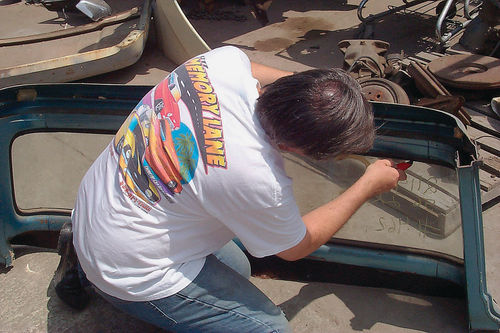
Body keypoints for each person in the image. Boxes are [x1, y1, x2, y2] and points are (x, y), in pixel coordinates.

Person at [54, 46, 406, 332]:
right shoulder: (258, 177)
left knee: (238, 267)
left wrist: (317, 103)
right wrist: (367, 185)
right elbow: (297, 247)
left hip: (96, 210)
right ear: (298, 151)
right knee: (268, 328)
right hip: (128, 269)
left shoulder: (217, 64)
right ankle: (101, 281)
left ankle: (82, 252)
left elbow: (284, 83)